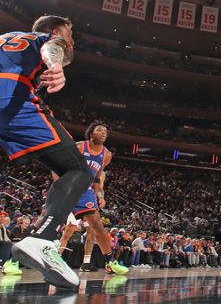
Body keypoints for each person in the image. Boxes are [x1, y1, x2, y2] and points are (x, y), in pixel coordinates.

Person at [1, 15, 93, 289]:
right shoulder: (46, 39)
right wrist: (56, 64)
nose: (72, 41)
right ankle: (40, 239)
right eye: (70, 34)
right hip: (9, 97)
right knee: (77, 169)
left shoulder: (7, 38)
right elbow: (53, 47)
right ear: (55, 30)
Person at [55, 121, 128, 275]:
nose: (103, 133)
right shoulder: (80, 146)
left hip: (86, 191)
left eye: (105, 132)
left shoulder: (106, 155)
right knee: (48, 221)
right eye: (100, 130)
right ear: (91, 133)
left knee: (97, 226)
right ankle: (14, 259)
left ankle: (110, 262)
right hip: (69, 185)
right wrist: (59, 184)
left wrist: (98, 195)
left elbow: (97, 178)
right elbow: (58, 163)